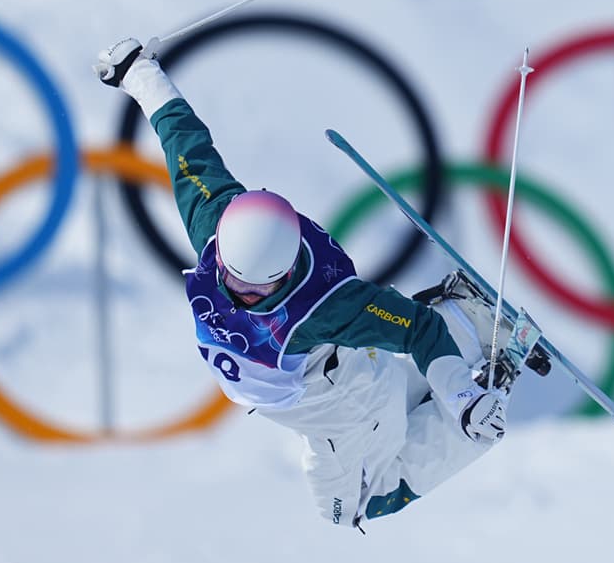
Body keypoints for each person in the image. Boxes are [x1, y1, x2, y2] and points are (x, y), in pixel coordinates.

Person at [94, 38, 515, 530]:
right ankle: (466, 330)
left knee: (349, 508)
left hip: (335, 404)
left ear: (287, 271)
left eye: (259, 290)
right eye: (232, 277)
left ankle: (476, 401)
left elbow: (415, 329)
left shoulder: (323, 305)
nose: (241, 295)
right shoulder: (216, 223)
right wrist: (139, 74)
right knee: (386, 395)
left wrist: (463, 402)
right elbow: (186, 146)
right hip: (337, 375)